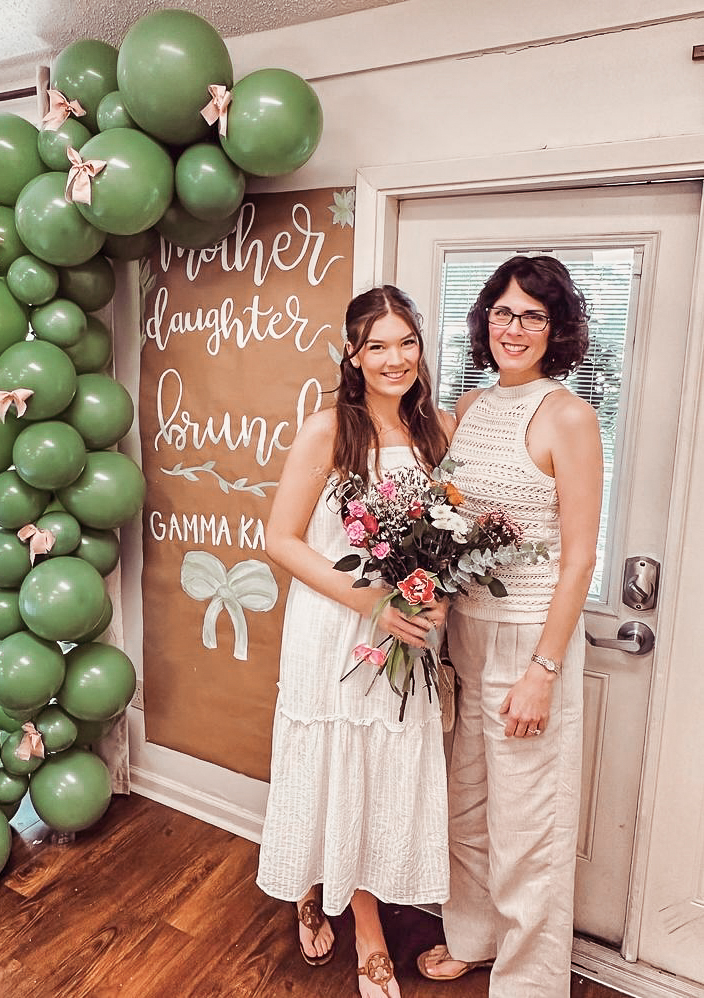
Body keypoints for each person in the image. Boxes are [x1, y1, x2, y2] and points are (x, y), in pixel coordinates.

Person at [256, 285, 455, 998]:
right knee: (330, 762)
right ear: (352, 353)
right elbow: (280, 539)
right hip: (336, 626)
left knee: (377, 774)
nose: (395, 359)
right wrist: (373, 603)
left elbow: (447, 535)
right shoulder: (328, 430)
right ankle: (338, 912)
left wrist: (433, 594)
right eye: (378, 345)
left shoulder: (438, 431)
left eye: (407, 343)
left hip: (406, 633)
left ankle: (344, 890)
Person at [417, 255, 603, 997]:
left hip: (531, 639)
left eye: (532, 315)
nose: (514, 328)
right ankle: (472, 937)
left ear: (556, 328)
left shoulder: (568, 416)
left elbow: (580, 557)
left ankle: (528, 981)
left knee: (529, 824)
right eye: (503, 312)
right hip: (465, 632)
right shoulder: (470, 407)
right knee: (466, 805)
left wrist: (543, 671)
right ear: (485, 321)